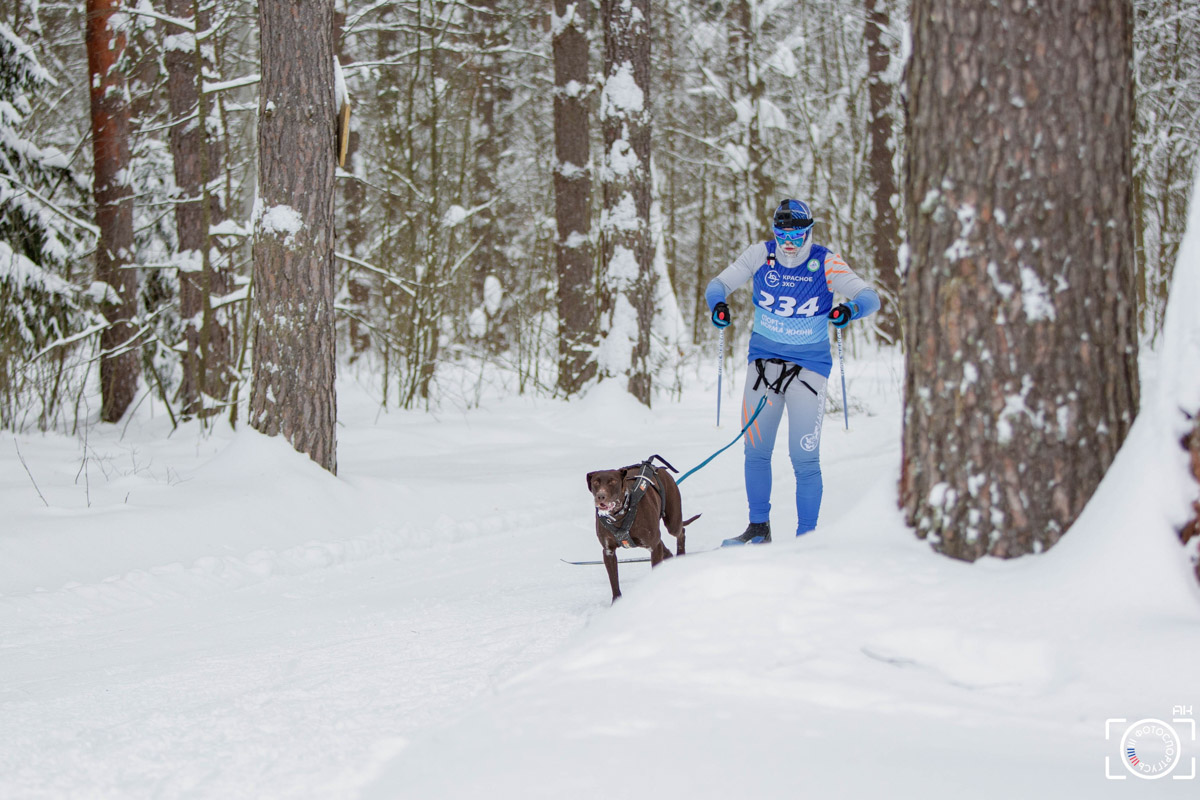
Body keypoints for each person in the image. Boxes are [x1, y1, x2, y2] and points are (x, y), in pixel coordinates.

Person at [707, 198, 880, 545]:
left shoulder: (825, 261)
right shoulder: (760, 254)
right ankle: (759, 529)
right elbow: (717, 285)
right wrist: (718, 305)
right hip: (763, 366)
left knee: (804, 458)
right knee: (756, 451)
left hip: (809, 370)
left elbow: (870, 297)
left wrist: (850, 310)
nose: (788, 242)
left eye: (796, 235)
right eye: (782, 234)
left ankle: (806, 540)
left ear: (808, 232)